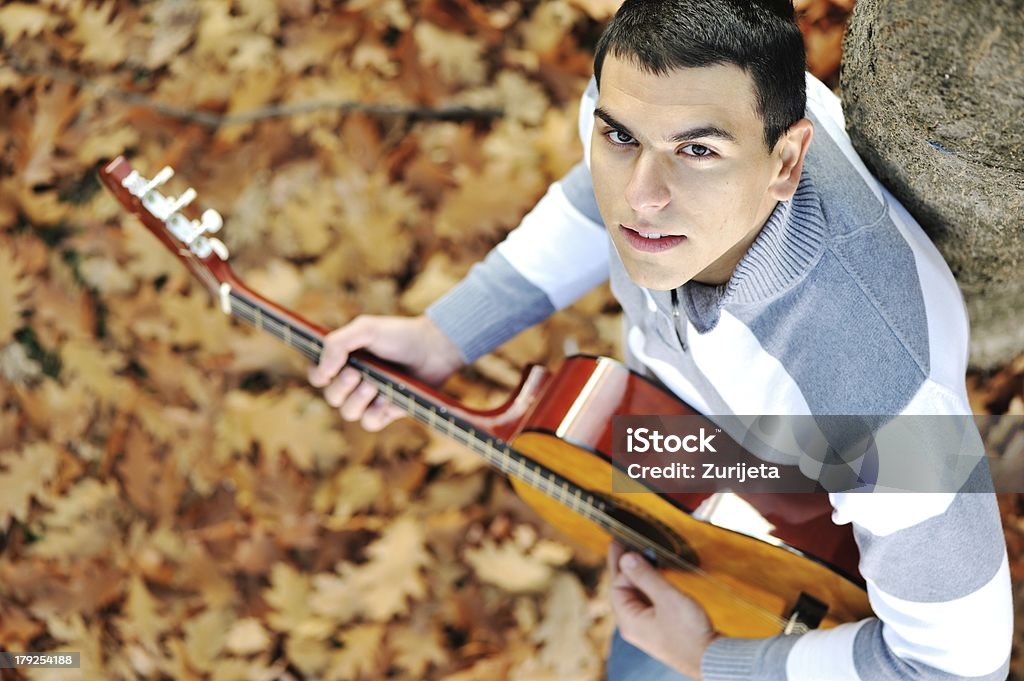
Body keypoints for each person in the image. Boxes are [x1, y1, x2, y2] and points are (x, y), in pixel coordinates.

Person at [309, 0, 1013, 679]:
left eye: (697, 151)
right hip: (703, 490)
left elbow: (953, 666)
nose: (640, 197)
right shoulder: (646, 95)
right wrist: (446, 335)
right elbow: (595, 198)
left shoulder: (886, 404)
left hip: (797, 596)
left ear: (786, 161)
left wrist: (704, 656)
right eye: (619, 137)